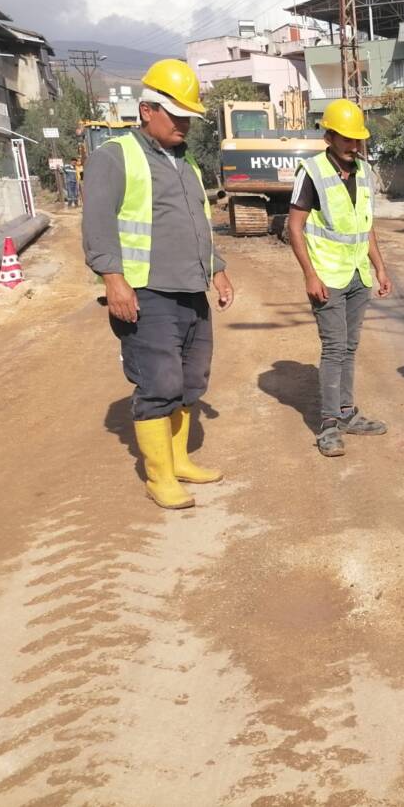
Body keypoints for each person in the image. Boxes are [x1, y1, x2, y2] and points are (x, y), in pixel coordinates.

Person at [82, 58, 234, 510]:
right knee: (159, 383)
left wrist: (217, 267)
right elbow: (97, 225)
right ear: (148, 110)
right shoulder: (115, 156)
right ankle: (159, 477)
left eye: (188, 116)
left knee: (191, 380)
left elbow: (199, 222)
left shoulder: (184, 162)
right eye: (177, 115)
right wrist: (114, 280)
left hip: (191, 288)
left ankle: (179, 459)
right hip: (146, 291)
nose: (185, 124)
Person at [286, 99, 392, 458]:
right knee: (334, 348)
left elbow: (366, 226)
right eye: (346, 139)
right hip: (327, 277)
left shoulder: (363, 171)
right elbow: (294, 227)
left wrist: (379, 267)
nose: (353, 146)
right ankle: (329, 423)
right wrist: (309, 276)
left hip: (358, 274)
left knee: (349, 346)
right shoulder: (312, 172)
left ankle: (347, 413)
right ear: (329, 136)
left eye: (358, 140)